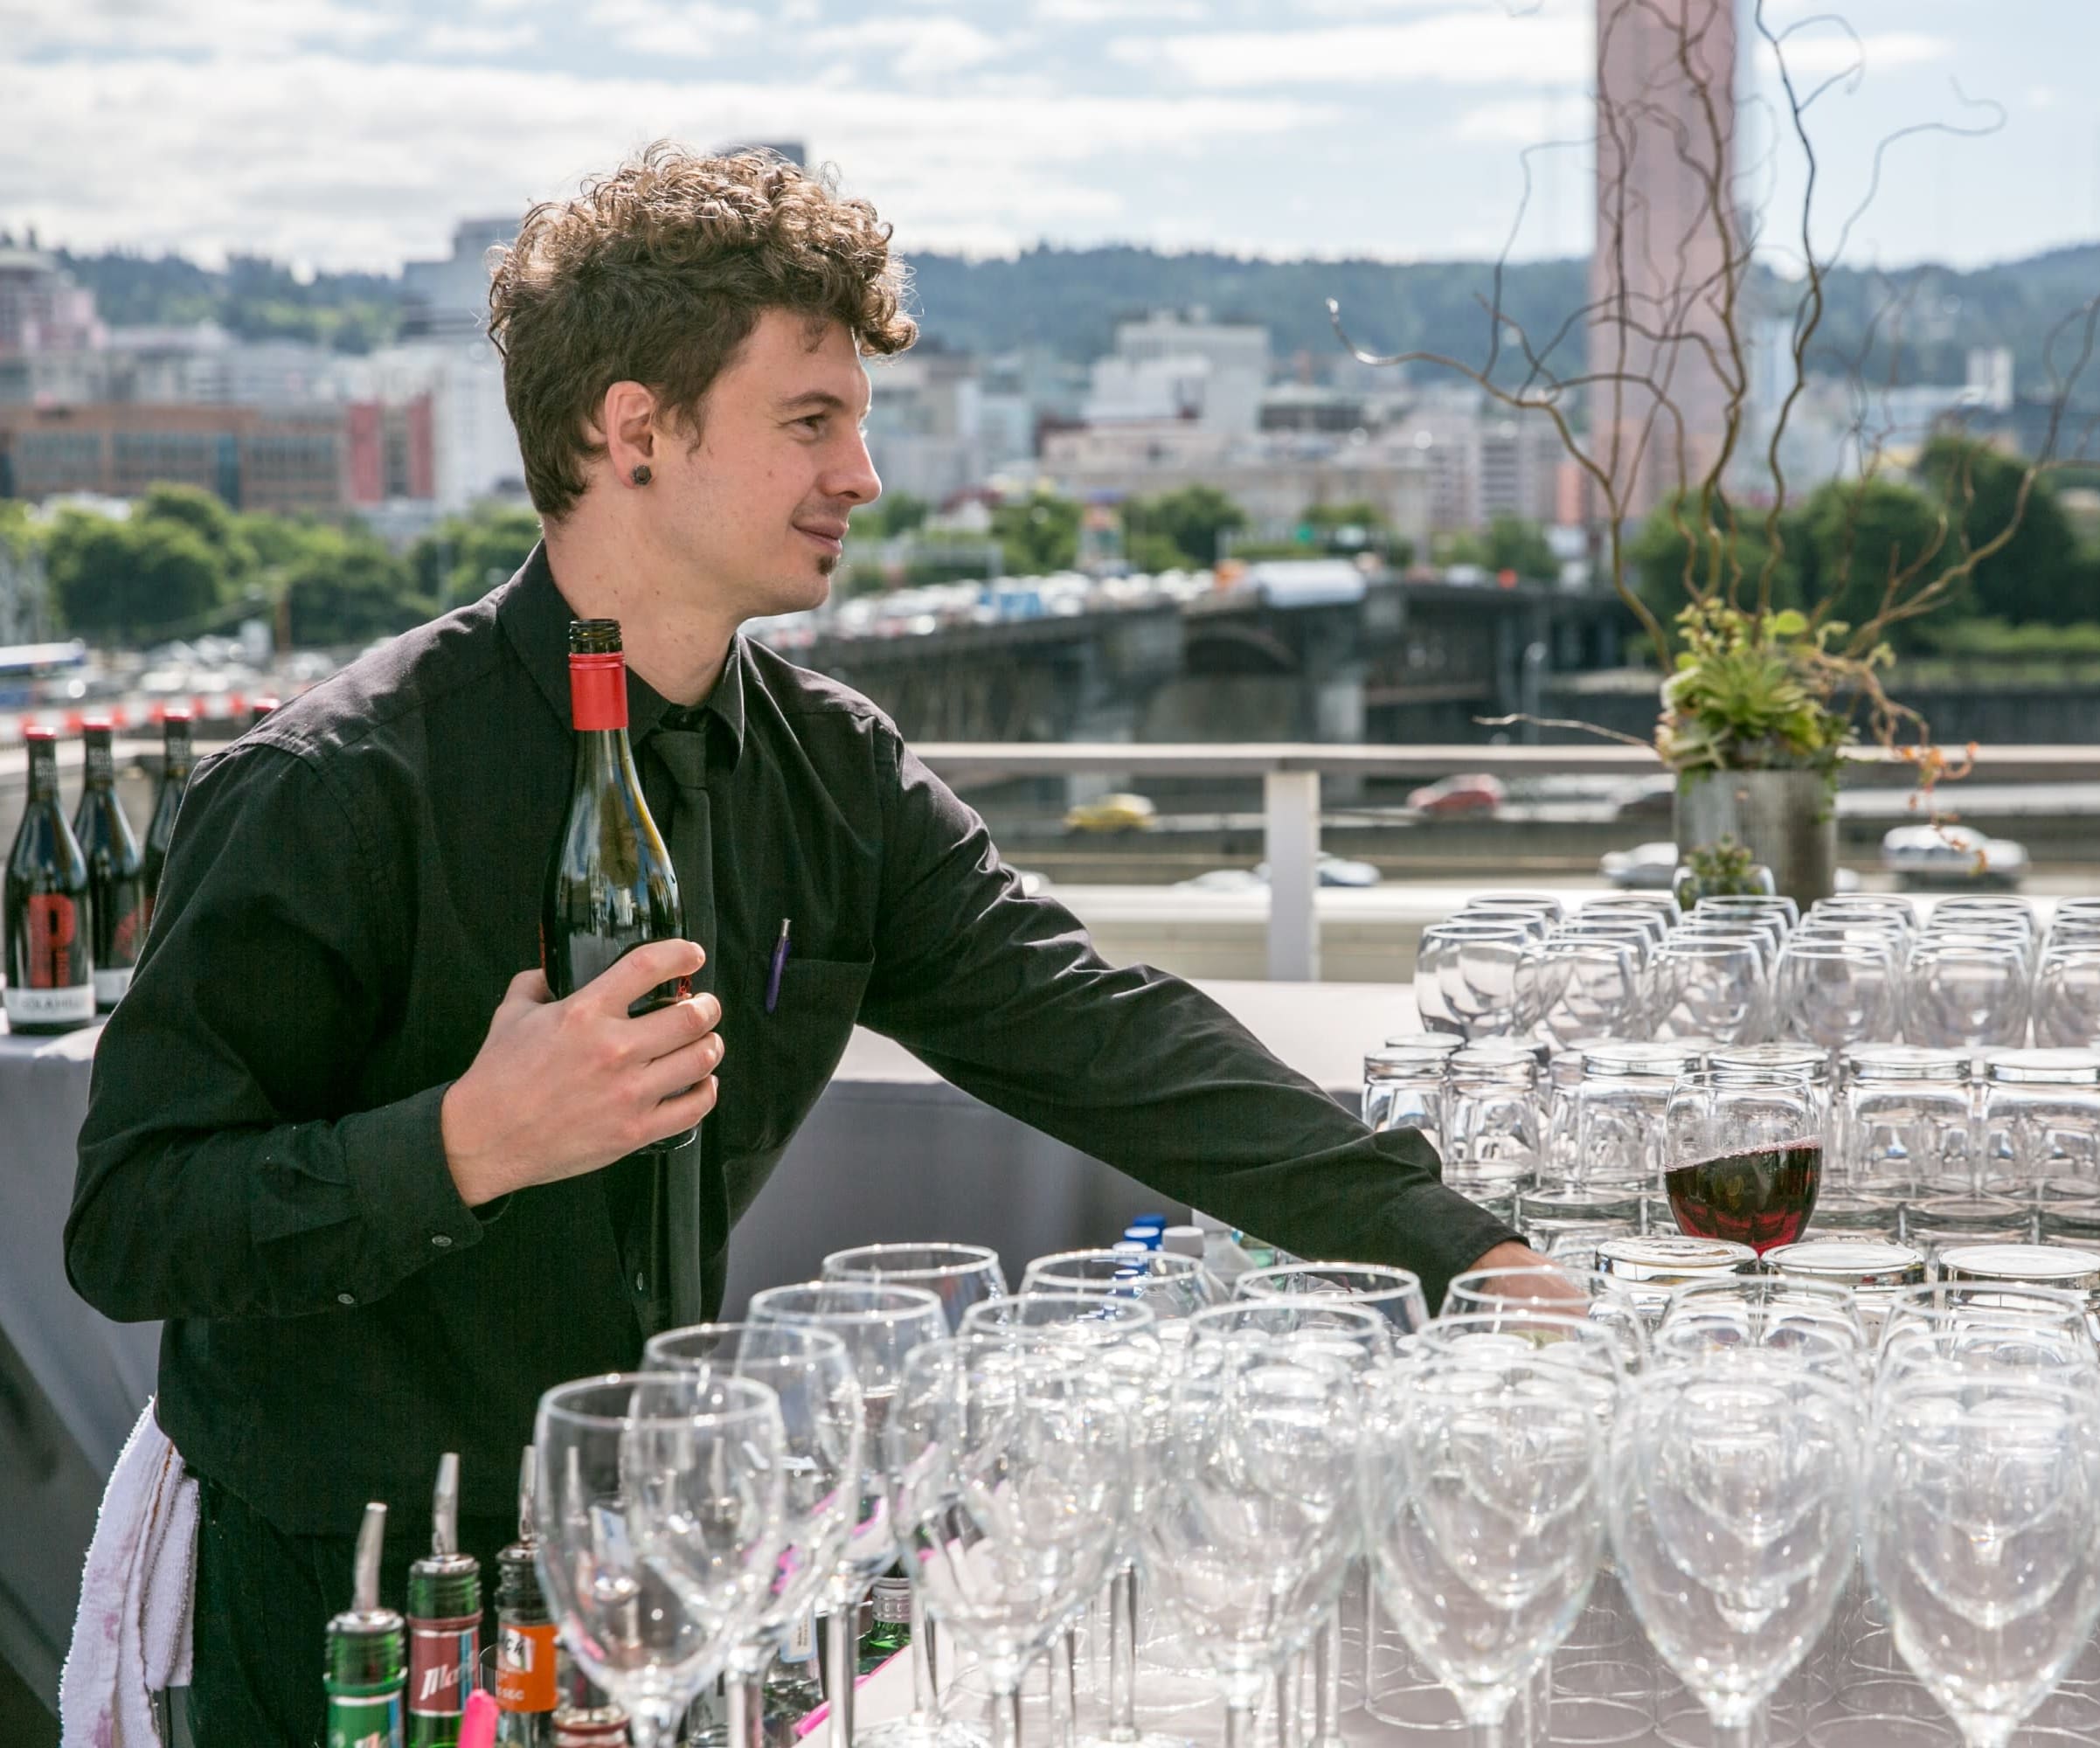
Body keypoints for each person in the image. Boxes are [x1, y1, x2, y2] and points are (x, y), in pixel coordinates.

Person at [66, 144, 1564, 1744]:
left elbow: (1094, 1027)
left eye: (858, 421)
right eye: (809, 422)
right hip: (353, 1609)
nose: (861, 475)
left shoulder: (828, 769)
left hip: (642, 1581)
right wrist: (461, 1144)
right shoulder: (336, 788)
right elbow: (134, 1222)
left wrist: (1466, 1248)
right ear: (631, 430)